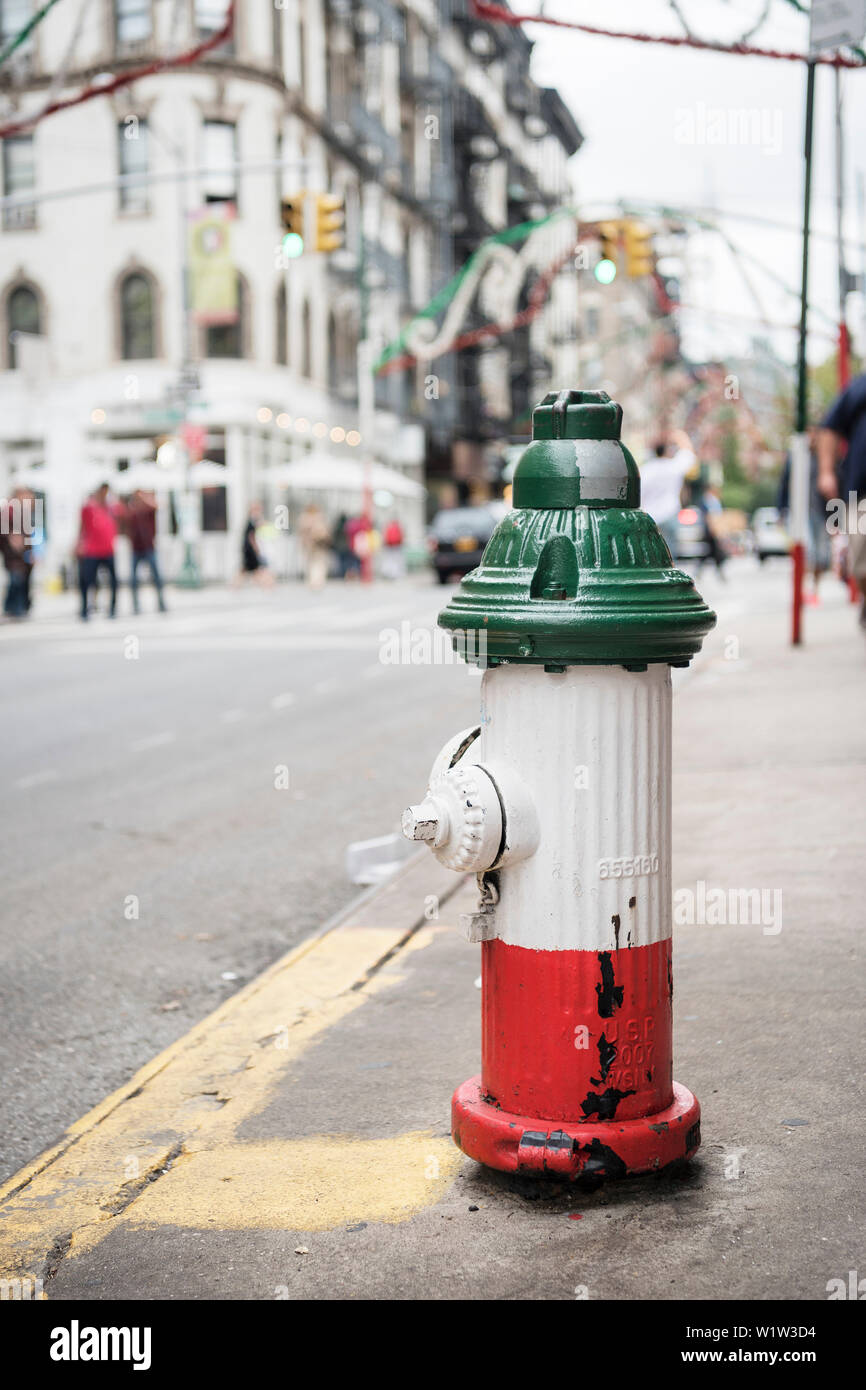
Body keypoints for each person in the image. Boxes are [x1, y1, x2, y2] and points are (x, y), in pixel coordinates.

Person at [818, 377, 866, 628]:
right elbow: (830, 428)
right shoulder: (860, 386)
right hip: (861, 491)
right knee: (861, 564)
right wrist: (826, 471)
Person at [777, 426, 829, 603]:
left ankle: (815, 588)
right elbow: (784, 483)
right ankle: (803, 589)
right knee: (806, 551)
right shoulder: (796, 457)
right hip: (799, 512)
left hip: (822, 511)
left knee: (822, 555)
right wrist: (781, 510)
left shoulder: (824, 457)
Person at [640, 429, 697, 559]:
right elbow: (689, 453)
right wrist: (680, 436)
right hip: (669, 515)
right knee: (670, 555)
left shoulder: (645, 471)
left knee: (652, 555)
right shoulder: (672, 467)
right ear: (667, 451)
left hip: (650, 517)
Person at [77, 483, 118, 620]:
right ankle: (85, 608)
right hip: (92, 550)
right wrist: (80, 544)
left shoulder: (110, 508)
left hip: (108, 549)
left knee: (113, 581)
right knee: (87, 580)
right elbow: (82, 527)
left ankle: (112, 608)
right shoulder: (89, 507)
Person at [124, 490, 167, 614]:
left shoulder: (148, 510)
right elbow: (126, 526)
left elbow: (157, 506)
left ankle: (161, 602)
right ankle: (136, 605)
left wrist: (144, 498)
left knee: (157, 577)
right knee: (133, 579)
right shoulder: (132, 512)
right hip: (136, 549)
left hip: (149, 547)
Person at [1, 487, 37, 619]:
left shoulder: (24, 512)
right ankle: (13, 608)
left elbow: (28, 536)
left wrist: (32, 552)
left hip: (23, 555)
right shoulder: (8, 511)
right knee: (16, 580)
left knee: (23, 581)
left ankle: (20, 607)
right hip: (13, 556)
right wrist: (10, 536)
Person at [297, 503, 332, 589]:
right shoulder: (319, 518)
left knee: (312, 563)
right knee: (318, 563)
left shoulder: (304, 518)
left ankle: (314, 581)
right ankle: (316, 581)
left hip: (311, 544)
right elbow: (325, 531)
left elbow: (302, 532)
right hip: (317, 544)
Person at [239, 503, 274, 587]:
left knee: (255, 569)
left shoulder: (252, 521)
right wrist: (256, 549)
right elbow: (251, 537)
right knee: (256, 568)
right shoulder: (251, 521)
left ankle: (267, 584)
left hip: (249, 549)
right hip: (250, 550)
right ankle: (267, 584)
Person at [380, 515, 405, 580]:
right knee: (396, 560)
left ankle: (389, 573)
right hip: (396, 546)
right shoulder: (398, 527)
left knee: (390, 560)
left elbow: (385, 537)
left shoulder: (389, 527)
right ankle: (394, 574)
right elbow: (401, 537)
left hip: (389, 546)